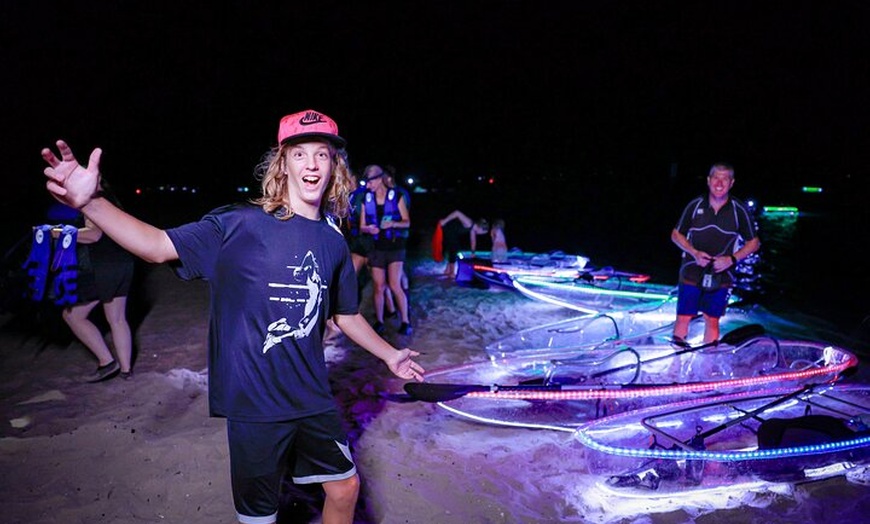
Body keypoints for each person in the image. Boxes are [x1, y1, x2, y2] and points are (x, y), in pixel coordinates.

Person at [41, 109, 425, 524]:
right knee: (261, 515)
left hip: (311, 394)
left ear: (335, 166)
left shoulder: (333, 238)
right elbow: (155, 245)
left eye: (322, 154)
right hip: (254, 402)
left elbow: (346, 314)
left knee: (345, 488)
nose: (312, 164)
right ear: (282, 165)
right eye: (299, 154)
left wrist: (389, 355)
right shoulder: (239, 224)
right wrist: (92, 203)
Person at [671, 162, 760, 345]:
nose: (719, 183)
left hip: (722, 273)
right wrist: (694, 253)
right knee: (683, 317)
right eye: (716, 178)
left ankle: (707, 362)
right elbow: (675, 235)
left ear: (731, 183)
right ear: (708, 180)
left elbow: (754, 243)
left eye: (725, 179)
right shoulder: (695, 205)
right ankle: (675, 363)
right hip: (691, 270)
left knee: (712, 319)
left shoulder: (738, 209)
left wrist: (732, 259)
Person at [56, 185, 136, 382]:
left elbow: (93, 235)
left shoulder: (92, 202)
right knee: (117, 318)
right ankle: (126, 371)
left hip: (105, 266)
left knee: (72, 315)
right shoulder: (111, 200)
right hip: (123, 262)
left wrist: (57, 233)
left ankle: (107, 362)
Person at [359, 164, 412, 335]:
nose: (367, 186)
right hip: (376, 248)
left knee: (395, 285)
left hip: (395, 247)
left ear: (379, 179)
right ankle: (380, 321)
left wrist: (393, 224)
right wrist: (369, 229)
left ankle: (405, 321)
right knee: (379, 287)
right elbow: (362, 226)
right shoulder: (366, 200)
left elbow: (407, 222)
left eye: (370, 182)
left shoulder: (397, 197)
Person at [437, 210, 489, 278]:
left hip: (453, 233)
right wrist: (445, 220)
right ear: (480, 229)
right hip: (448, 228)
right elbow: (457, 213)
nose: (481, 235)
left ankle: (447, 270)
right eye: (483, 233)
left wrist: (473, 253)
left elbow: (473, 241)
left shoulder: (472, 229)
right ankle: (451, 272)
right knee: (454, 248)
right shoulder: (469, 223)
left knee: (455, 248)